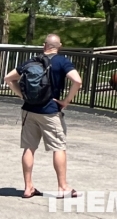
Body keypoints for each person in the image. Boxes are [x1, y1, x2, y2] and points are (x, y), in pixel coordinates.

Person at [4, 34, 83, 199]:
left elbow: (8, 78)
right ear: (59, 45)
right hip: (50, 111)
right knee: (58, 147)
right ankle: (63, 187)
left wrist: (22, 96)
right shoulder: (62, 61)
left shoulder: (32, 61)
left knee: (29, 148)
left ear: (44, 45)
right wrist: (66, 101)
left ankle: (28, 187)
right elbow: (77, 81)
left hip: (28, 110)